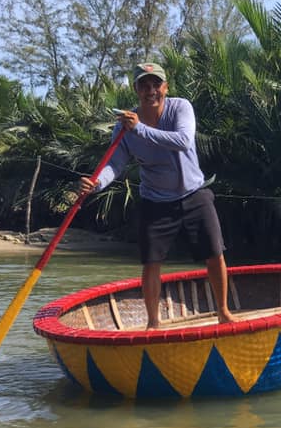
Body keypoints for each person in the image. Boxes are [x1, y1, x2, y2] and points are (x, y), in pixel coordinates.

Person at [79, 62, 233, 328]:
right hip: (156, 200)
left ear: (165, 87)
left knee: (215, 252)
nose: (151, 90)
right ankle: (153, 322)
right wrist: (96, 184)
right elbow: (115, 164)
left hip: (194, 193)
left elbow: (183, 140)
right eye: (144, 85)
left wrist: (139, 129)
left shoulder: (180, 107)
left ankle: (223, 311)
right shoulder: (124, 128)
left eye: (156, 84)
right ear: (136, 89)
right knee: (151, 261)